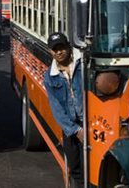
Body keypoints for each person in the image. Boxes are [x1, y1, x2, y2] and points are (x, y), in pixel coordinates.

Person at [43, 32, 84, 188]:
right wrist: (76, 130)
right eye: (55, 49)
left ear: (68, 46)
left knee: (91, 164)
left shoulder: (82, 64)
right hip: (70, 129)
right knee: (75, 167)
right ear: (50, 51)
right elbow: (57, 109)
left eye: (61, 48)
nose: (59, 52)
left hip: (89, 122)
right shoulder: (50, 77)